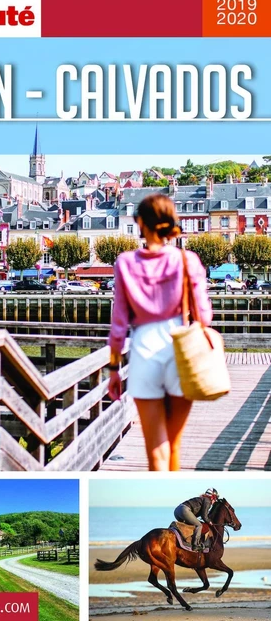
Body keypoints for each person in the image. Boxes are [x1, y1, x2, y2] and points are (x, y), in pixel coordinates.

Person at [107, 193, 212, 471]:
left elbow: (119, 323)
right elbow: (204, 315)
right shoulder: (187, 260)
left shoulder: (126, 263)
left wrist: (114, 369)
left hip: (143, 348)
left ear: (140, 222)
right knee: (174, 445)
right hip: (179, 348)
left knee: (156, 452)